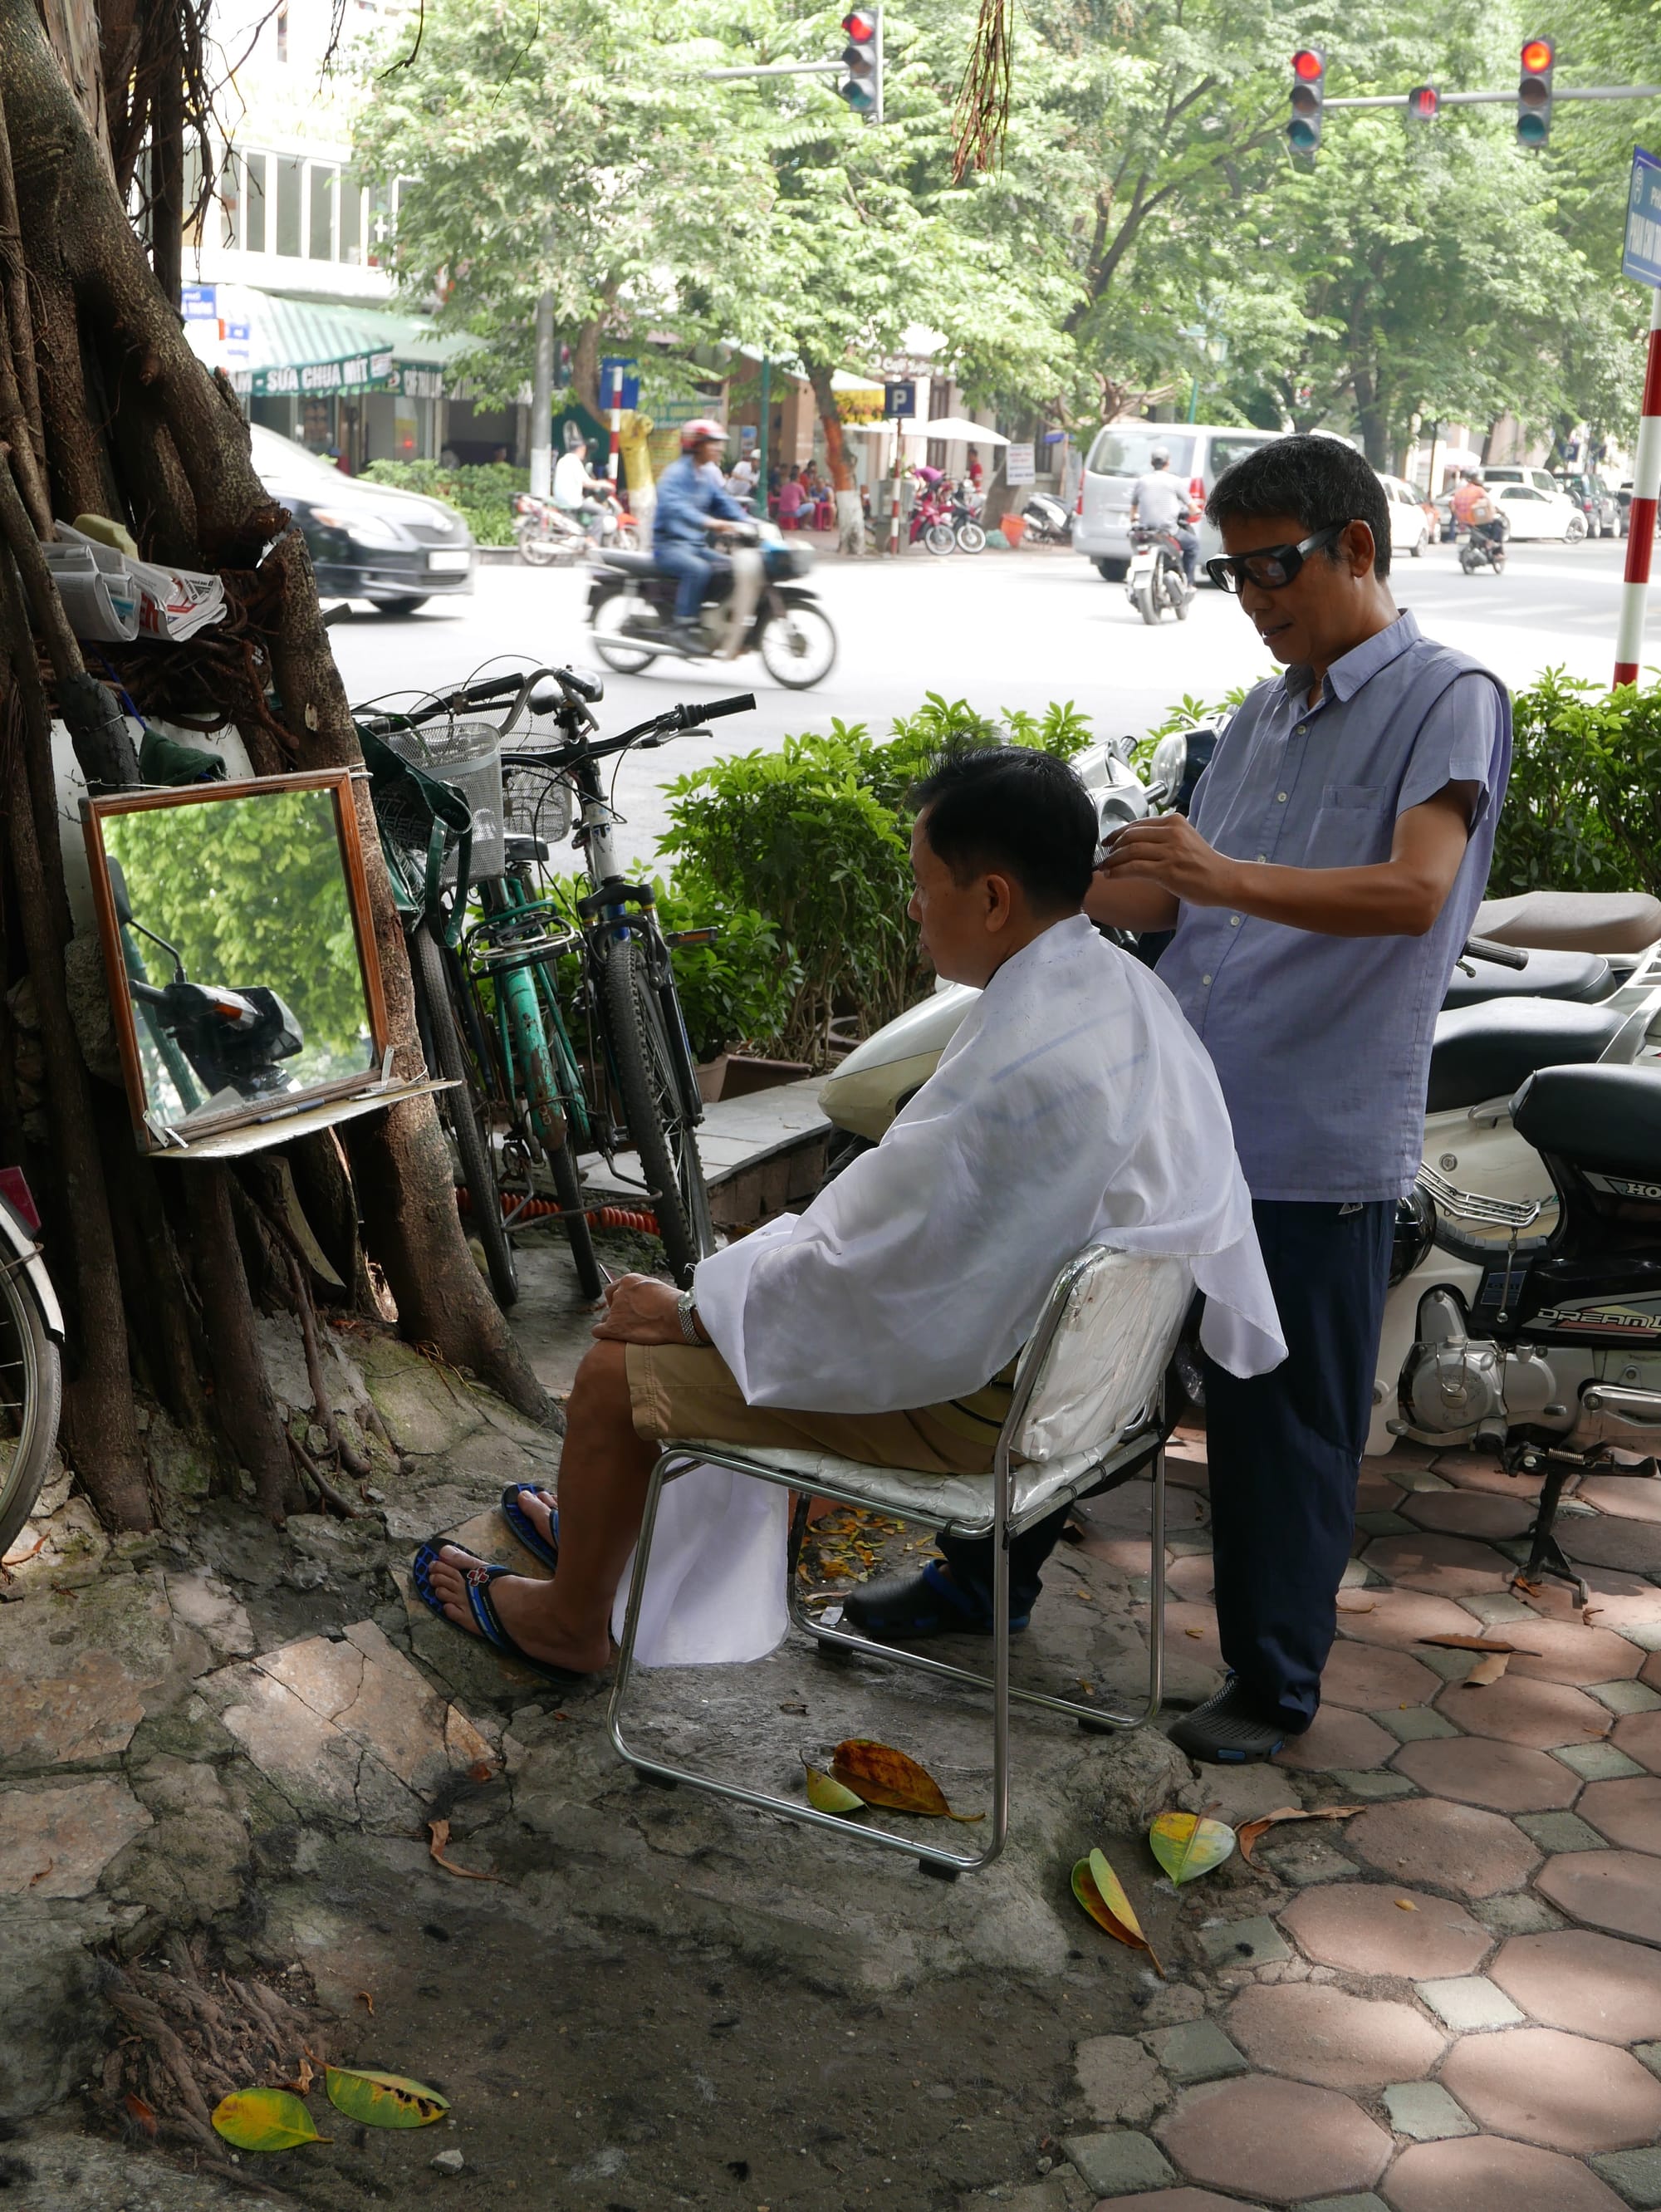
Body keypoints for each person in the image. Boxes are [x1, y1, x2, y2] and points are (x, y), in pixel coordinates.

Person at [875, 435, 1510, 1763]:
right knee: (1060, 1360)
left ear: (1357, 547)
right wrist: (1032, 872)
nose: (1256, 597)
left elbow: (1411, 895)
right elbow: (1172, 895)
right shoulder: (1268, 712)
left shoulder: (1447, 697)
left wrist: (1220, 876)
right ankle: (976, 1579)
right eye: (1231, 575)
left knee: (1284, 1422)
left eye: (1276, 566)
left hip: (1310, 1136)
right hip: (1171, 1114)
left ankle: (1274, 1681)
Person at [414, 748, 1284, 1683]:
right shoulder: (1118, 992)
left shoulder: (1023, 1066)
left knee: (614, 1372)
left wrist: (694, 1312)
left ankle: (570, 1623)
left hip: (987, 1411)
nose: (912, 907)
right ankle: (608, 1530)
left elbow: (866, 1269)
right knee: (730, 1311)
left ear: (992, 898)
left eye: (920, 883)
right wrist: (721, 1303)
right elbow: (886, 1247)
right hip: (1091, 1391)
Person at [649, 419, 745, 650]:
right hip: (669, 546)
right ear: (696, 445)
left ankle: (709, 619)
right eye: (713, 443)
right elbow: (676, 508)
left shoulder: (704, 476)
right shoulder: (675, 474)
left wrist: (751, 522)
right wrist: (709, 522)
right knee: (698, 570)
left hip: (694, 545)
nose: (719, 448)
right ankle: (683, 626)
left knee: (731, 567)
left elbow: (724, 503)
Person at [1128, 445, 1198, 583]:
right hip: (1168, 530)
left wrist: (1133, 518)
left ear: (1152, 463)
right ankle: (1188, 583)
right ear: (1168, 462)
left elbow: (1133, 508)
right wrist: (1196, 512)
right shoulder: (1175, 481)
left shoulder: (1142, 481)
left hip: (1145, 530)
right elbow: (1193, 508)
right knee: (1193, 545)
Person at [776, 464, 806, 530]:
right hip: (793, 512)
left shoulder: (784, 487)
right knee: (812, 506)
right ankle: (804, 525)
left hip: (781, 512)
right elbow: (805, 499)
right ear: (797, 479)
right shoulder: (799, 487)